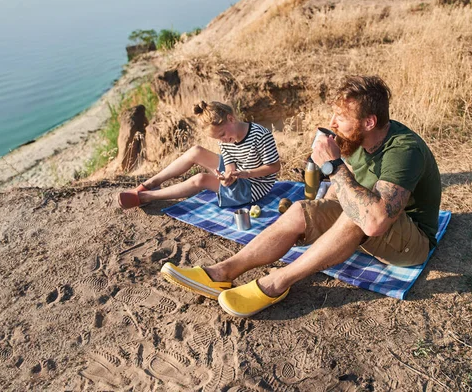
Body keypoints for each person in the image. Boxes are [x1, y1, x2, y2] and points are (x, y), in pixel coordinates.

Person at [161, 76, 442, 318]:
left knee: (355, 215)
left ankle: (276, 283)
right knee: (300, 209)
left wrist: (332, 166)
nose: (333, 123)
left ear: (369, 122)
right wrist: (315, 213)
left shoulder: (403, 151)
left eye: (341, 118)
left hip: (411, 242)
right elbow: (347, 185)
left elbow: (374, 223)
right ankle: (220, 273)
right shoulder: (358, 139)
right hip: (374, 221)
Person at [118, 101, 281, 209]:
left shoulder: (260, 135)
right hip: (240, 174)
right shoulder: (224, 139)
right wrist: (227, 177)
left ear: (231, 118)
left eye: (223, 134)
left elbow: (274, 166)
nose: (223, 140)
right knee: (195, 151)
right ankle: (149, 183)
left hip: (254, 187)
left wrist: (247, 174)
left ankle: (146, 197)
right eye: (218, 138)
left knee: (200, 179)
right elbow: (230, 163)